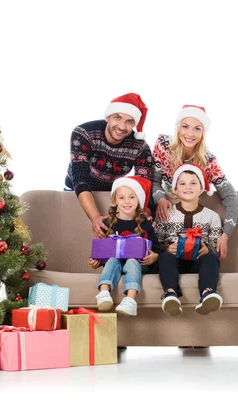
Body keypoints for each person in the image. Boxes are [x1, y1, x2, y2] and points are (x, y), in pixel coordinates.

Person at [151, 105, 238, 260]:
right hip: (167, 212)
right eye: (185, 126)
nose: (190, 134)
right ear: (178, 128)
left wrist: (225, 235)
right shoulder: (164, 145)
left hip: (196, 215)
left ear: (203, 132)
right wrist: (161, 198)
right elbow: (154, 180)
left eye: (197, 129)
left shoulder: (208, 160)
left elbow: (231, 197)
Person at [65, 93, 154, 239]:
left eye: (129, 121)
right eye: (117, 117)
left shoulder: (141, 147)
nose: (121, 126)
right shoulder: (83, 133)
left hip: (110, 193)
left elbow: (144, 186)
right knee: (75, 236)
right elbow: (79, 178)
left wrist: (145, 217)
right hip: (77, 190)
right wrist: (95, 217)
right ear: (108, 117)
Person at [155, 164, 223, 317]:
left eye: (193, 183)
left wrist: (208, 249)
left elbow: (214, 245)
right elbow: (156, 243)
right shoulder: (167, 213)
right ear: (175, 189)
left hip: (198, 261)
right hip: (174, 261)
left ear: (201, 188)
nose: (188, 187)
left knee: (211, 258)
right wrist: (166, 249)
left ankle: (207, 293)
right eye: (182, 183)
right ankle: (171, 294)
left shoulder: (212, 216)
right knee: (165, 258)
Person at [88, 176, 159, 316]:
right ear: (115, 200)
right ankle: (103, 293)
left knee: (132, 261)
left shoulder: (146, 224)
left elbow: (157, 249)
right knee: (113, 260)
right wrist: (95, 260)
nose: (127, 202)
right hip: (116, 265)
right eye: (122, 198)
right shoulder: (108, 224)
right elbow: (102, 250)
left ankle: (130, 300)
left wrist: (154, 256)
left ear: (138, 200)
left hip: (138, 264)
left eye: (132, 197)